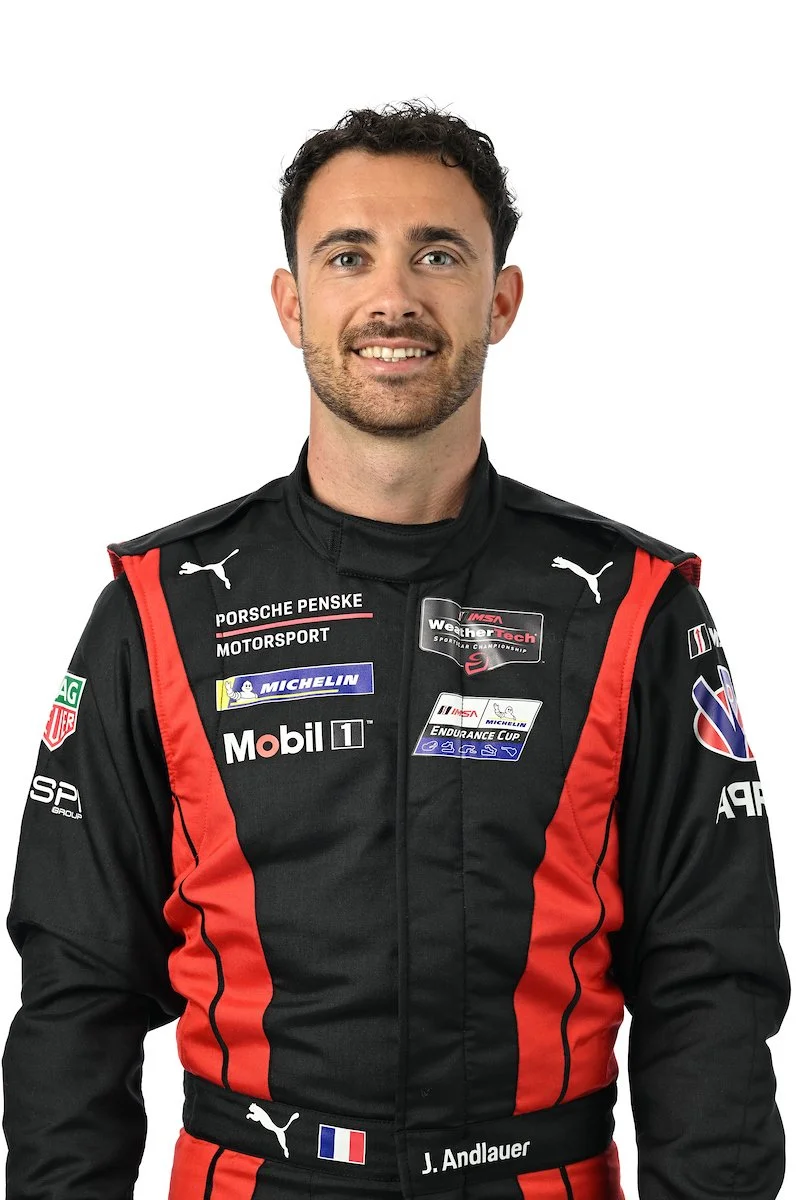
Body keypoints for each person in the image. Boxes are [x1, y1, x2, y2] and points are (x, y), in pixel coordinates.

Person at [2, 101, 789, 1200]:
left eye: (438, 254)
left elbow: (711, 980)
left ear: (500, 299)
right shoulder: (157, 612)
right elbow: (76, 988)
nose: (393, 297)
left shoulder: (634, 608)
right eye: (347, 255)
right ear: (291, 303)